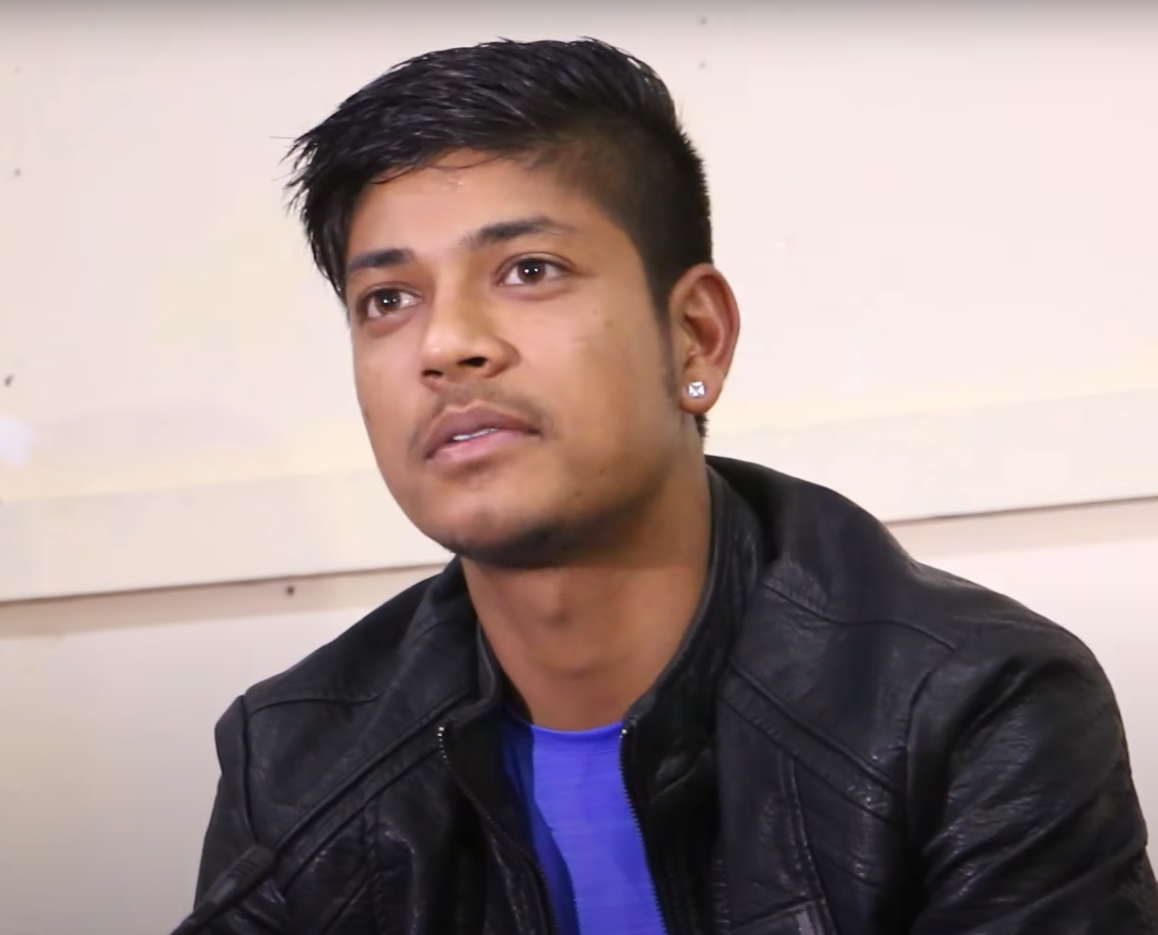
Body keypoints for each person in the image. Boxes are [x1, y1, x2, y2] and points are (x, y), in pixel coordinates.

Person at [194, 38, 1158, 935]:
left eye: (529, 269)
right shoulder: (293, 765)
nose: (446, 344)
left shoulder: (971, 706)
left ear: (696, 336)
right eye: (388, 299)